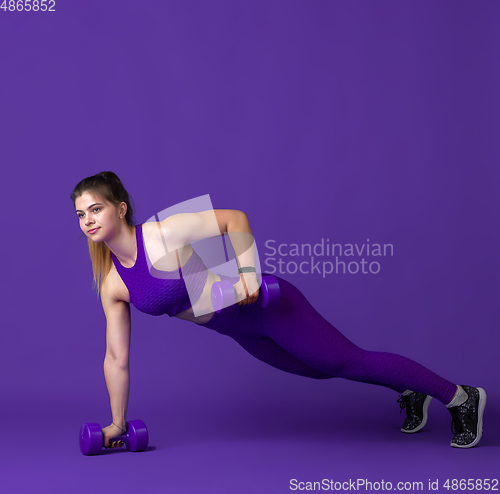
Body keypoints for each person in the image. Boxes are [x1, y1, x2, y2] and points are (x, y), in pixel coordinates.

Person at [71, 171, 487, 450]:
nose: (88, 220)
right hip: (240, 330)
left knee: (349, 361)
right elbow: (116, 358)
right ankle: (409, 388)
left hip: (270, 305)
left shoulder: (161, 234)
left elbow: (234, 219)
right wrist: (117, 424)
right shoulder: (113, 283)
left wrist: (248, 272)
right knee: (323, 370)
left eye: (96, 209)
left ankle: (461, 397)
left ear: (120, 208)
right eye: (80, 214)